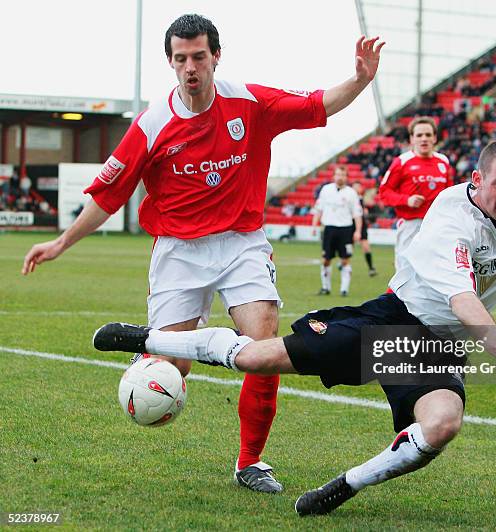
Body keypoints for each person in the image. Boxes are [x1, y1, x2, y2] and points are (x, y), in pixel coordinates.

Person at [93, 108, 496, 515]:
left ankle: (344, 486)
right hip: (394, 322)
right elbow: (465, 303)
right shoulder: (449, 221)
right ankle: (147, 339)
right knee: (255, 359)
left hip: (436, 348)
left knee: (443, 424)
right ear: (476, 180)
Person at [21, 14, 385, 493]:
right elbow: (107, 196)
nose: (190, 67)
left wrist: (359, 80)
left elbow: (317, 105)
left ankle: (251, 462)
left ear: (216, 55)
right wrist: (60, 242)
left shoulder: (248, 101)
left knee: (264, 348)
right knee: (175, 367)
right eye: (180, 59)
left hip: (242, 243)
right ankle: (151, 355)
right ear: (170, 63)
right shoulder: (153, 124)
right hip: (179, 251)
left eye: (198, 57)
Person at [379, 116, 452, 270]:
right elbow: (384, 193)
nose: (424, 139)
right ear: (412, 139)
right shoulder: (402, 161)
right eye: (419, 135)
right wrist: (407, 200)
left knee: (436, 272)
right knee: (405, 275)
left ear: (435, 138)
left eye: (428, 135)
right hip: (411, 225)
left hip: (437, 226)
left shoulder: (443, 161)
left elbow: (449, 194)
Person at [311, 166, 363, 296]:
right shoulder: (326, 190)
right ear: (334, 176)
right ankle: (325, 288)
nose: (340, 177)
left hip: (346, 229)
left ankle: (344, 289)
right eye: (338, 174)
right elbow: (318, 209)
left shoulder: (351, 193)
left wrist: (357, 231)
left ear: (346, 177)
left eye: (343, 175)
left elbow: (357, 214)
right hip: (329, 228)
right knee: (326, 259)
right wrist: (314, 225)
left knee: (345, 259)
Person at [352, 181, 377, 277]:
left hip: (361, 225)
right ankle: (344, 264)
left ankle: (371, 268)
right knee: (349, 247)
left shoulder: (362, 199)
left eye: (358, 187)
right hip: (349, 224)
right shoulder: (349, 198)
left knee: (366, 246)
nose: (356, 189)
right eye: (354, 187)